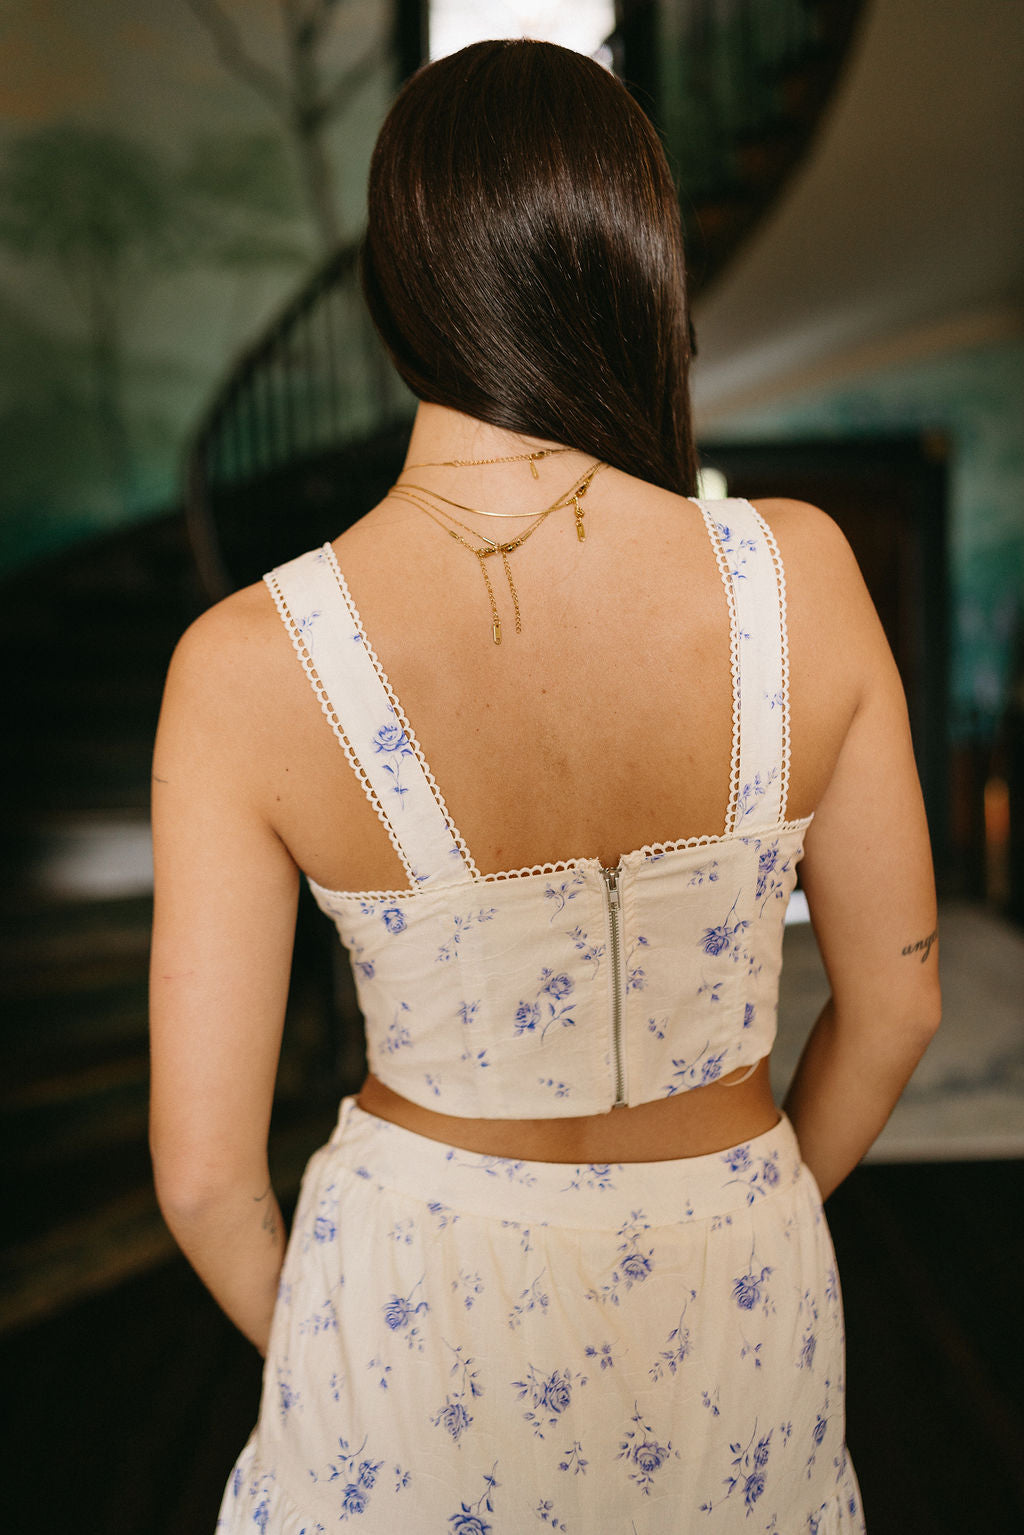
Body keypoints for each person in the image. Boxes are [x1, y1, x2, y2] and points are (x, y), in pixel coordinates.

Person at [149, 39, 940, 1533]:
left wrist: (345, 1364)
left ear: (392, 295)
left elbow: (201, 1178)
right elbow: (896, 1007)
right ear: (639, 270)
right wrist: (741, 1219)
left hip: (411, 1287)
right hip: (733, 1267)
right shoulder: (802, 575)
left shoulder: (243, 661)